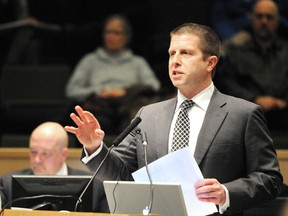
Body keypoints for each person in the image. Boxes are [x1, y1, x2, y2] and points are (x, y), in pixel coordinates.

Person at [65, 23, 283, 215]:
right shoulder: (147, 116)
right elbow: (120, 175)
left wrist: (226, 193)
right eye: (171, 53)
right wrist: (94, 146)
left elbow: (270, 180)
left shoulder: (243, 114)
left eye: (186, 53)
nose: (175, 61)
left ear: (210, 63)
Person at [65, 14, 161, 135]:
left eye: (116, 33)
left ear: (126, 37)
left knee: (136, 120)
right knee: (96, 123)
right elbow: (72, 90)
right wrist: (99, 91)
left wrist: (125, 91)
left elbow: (154, 85)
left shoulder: (137, 62)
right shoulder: (90, 61)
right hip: (99, 109)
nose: (111, 36)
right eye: (108, 32)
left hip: (129, 108)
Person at [215, 0, 288, 147]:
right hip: (247, 117)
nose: (264, 21)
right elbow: (226, 83)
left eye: (269, 17)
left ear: (277, 21)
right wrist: (254, 99)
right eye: (259, 16)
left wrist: (284, 101)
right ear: (252, 19)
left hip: (284, 116)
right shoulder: (237, 53)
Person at [0, 121, 109, 212]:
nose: (37, 160)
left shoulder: (95, 185)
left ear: (63, 154)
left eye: (45, 154)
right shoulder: (7, 183)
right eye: (33, 152)